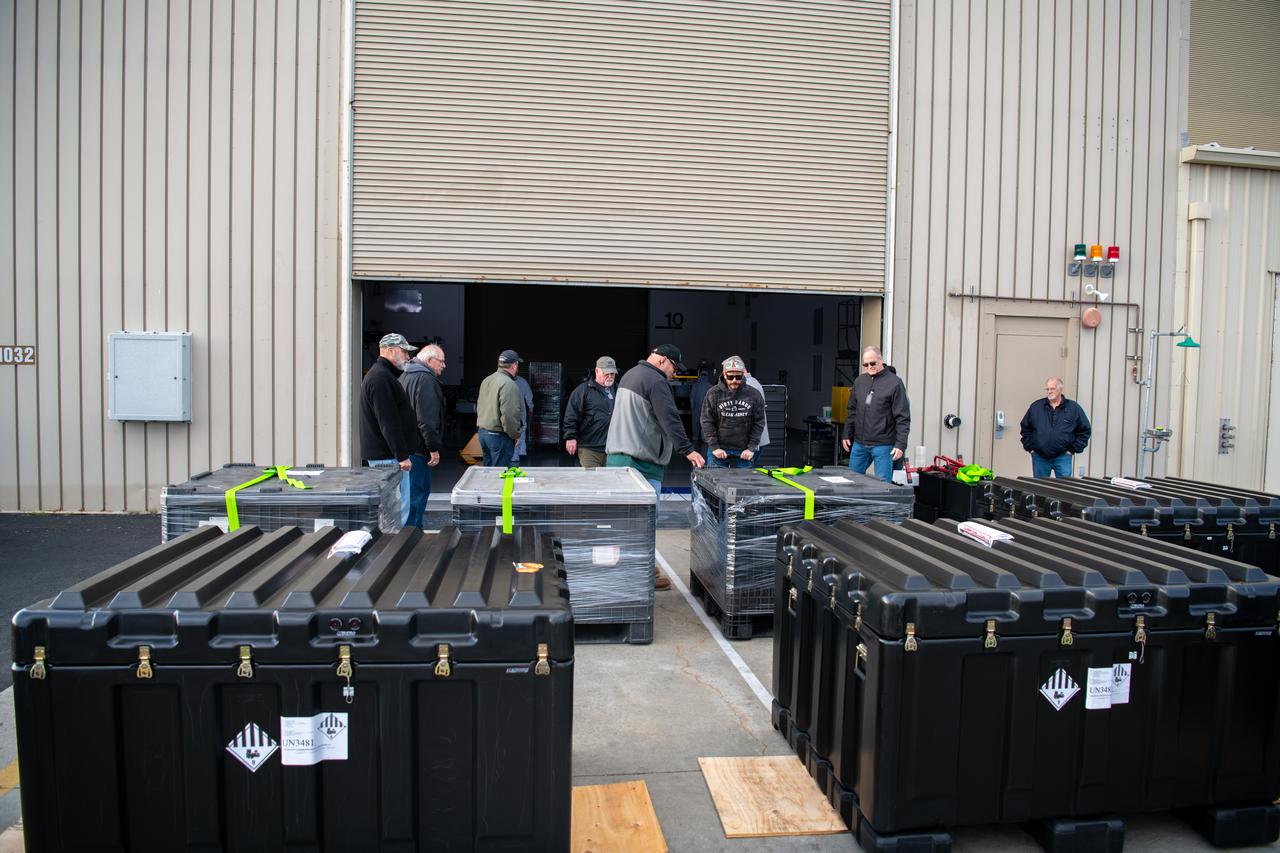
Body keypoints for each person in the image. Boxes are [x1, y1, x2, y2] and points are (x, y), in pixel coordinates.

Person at [606, 344, 706, 590]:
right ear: (663, 360)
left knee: (625, 520)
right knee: (645, 521)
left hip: (619, 459)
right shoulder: (656, 381)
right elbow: (669, 418)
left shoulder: (630, 375)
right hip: (641, 463)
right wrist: (688, 449)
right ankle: (641, 575)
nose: (674, 373)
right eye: (674, 367)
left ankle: (632, 567)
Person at [360, 333, 423, 521]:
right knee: (394, 511)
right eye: (404, 352)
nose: (408, 356)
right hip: (388, 458)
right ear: (390, 351)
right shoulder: (381, 379)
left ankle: (393, 537)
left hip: (388, 456)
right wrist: (402, 456)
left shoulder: (383, 376)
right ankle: (394, 540)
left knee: (392, 509)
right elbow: (388, 421)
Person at [841, 346, 910, 483]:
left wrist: (900, 444)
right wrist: (846, 433)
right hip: (860, 443)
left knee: (882, 486)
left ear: (881, 359)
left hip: (883, 445)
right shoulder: (859, 381)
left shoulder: (895, 383)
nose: (869, 367)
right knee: (851, 482)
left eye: (872, 363)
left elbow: (903, 417)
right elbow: (852, 410)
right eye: (865, 365)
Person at [399, 343, 446, 527]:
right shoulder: (426, 380)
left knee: (408, 496)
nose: (443, 366)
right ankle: (412, 537)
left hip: (406, 448)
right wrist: (433, 448)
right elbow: (426, 420)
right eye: (441, 361)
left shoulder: (405, 376)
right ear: (430, 360)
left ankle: (408, 534)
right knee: (417, 495)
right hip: (418, 450)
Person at [700, 355, 765, 469]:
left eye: (738, 376)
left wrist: (751, 448)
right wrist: (715, 447)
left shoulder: (754, 394)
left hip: (744, 451)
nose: (734, 380)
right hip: (718, 450)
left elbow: (759, 422)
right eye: (730, 377)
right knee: (716, 481)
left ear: (743, 375)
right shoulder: (713, 393)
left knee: (745, 481)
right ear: (724, 375)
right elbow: (706, 422)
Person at [1020, 377, 1091, 478]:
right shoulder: (1036, 407)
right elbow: (1025, 428)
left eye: (1052, 389)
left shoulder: (1073, 408)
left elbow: (1085, 430)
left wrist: (1072, 449)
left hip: (1063, 457)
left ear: (1061, 389)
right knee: (1039, 486)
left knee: (1064, 486)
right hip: (1040, 457)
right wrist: (1030, 448)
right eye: (1047, 389)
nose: (1049, 391)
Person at [563, 356, 618, 468]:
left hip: (613, 449)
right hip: (590, 448)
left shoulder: (619, 389)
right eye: (606, 373)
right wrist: (570, 437)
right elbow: (571, 415)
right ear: (597, 371)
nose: (610, 376)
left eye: (612, 373)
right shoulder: (583, 390)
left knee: (612, 478)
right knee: (592, 477)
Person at [476, 349, 524, 468]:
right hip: (499, 436)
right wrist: (515, 435)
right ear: (514, 365)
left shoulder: (487, 380)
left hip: (483, 434)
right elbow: (509, 415)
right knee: (499, 473)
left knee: (488, 472)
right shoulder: (509, 384)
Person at [689, 362, 714, 453]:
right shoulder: (710, 386)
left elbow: (691, 397)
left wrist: (692, 406)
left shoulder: (696, 385)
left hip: (698, 408)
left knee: (697, 423)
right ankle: (703, 438)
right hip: (705, 408)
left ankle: (696, 437)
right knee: (704, 423)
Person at [743, 370, 770, 453]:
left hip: (750, 443)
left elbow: (750, 415)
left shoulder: (748, 385)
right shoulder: (753, 381)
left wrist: (752, 445)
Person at [512, 371, 534, 464]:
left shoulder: (503, 381)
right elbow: (529, 395)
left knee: (509, 431)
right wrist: (531, 407)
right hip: (520, 410)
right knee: (522, 429)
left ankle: (514, 455)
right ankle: (521, 452)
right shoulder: (522, 381)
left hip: (507, 410)